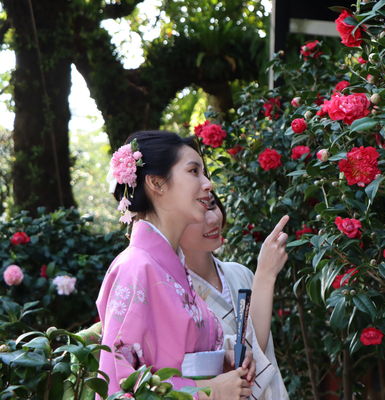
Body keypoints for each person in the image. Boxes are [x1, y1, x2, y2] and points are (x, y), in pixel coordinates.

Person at [97, 131, 255, 399]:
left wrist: (222, 357)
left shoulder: (170, 266)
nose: (208, 184)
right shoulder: (135, 268)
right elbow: (115, 386)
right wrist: (208, 391)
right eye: (194, 171)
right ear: (157, 183)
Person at [180, 190, 290, 400]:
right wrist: (265, 274)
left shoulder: (239, 273)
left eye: (212, 205)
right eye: (199, 212)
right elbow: (246, 358)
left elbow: (261, 352)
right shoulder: (174, 290)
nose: (212, 219)